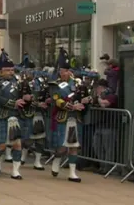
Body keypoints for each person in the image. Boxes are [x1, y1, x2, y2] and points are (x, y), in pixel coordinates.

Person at [50, 48, 88, 183]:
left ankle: (72, 172)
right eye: (62, 71)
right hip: (62, 117)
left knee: (74, 146)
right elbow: (56, 100)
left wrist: (85, 101)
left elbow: (85, 96)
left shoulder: (77, 83)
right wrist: (72, 106)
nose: (64, 73)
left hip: (75, 118)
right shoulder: (55, 84)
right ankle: (57, 159)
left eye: (66, 70)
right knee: (62, 147)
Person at [0, 50, 26, 179]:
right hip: (3, 115)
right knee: (2, 144)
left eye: (12, 70)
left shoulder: (19, 82)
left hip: (16, 116)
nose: (10, 72)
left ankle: (15, 171)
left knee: (17, 144)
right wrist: (13, 103)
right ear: (0, 71)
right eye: (7, 70)